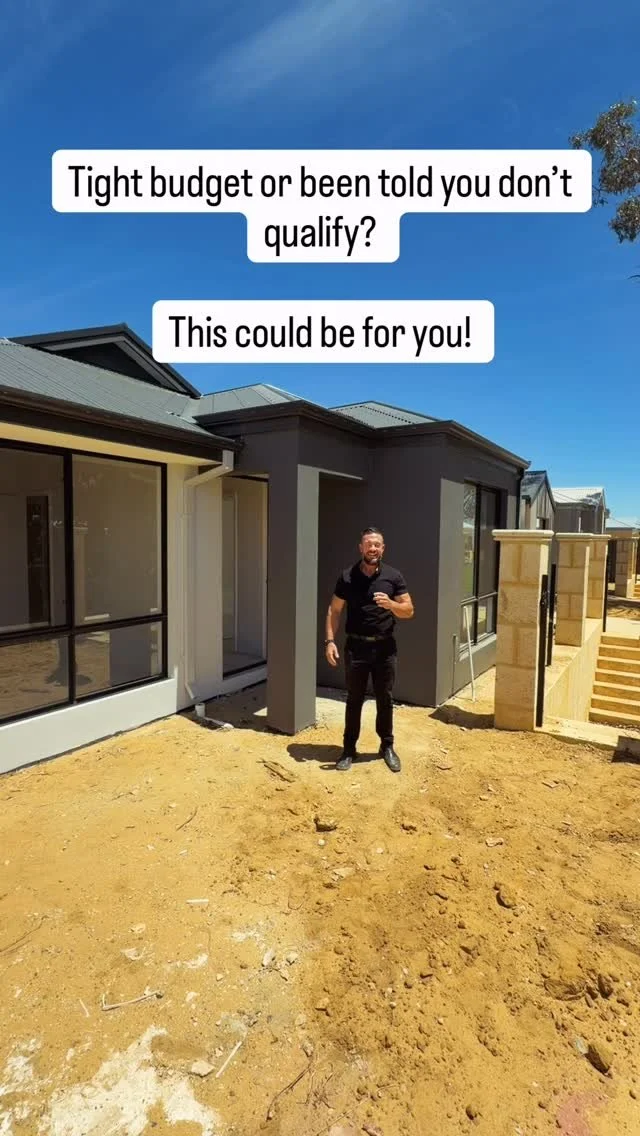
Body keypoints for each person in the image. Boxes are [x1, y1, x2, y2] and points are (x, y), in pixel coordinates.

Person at [324, 526, 414, 773]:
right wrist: (329, 641)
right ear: (360, 548)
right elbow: (334, 610)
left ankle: (387, 746)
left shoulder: (393, 576)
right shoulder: (347, 577)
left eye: (377, 544)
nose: (372, 548)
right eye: (368, 544)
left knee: (385, 698)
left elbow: (409, 610)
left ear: (383, 549)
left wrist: (391, 604)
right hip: (356, 647)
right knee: (354, 699)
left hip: (385, 647)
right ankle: (348, 749)